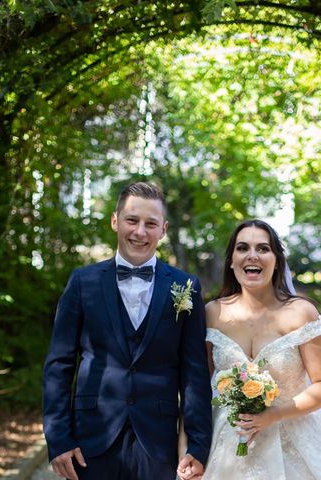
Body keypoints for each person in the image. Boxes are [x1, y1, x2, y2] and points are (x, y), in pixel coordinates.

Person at [42, 181, 212, 480]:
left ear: (164, 229)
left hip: (159, 442)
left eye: (151, 223)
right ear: (115, 220)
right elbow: (59, 364)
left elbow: (194, 371)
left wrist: (197, 445)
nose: (140, 232)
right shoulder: (83, 282)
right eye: (132, 220)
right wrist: (58, 439)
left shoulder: (186, 286)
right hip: (91, 438)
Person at [202, 219, 321, 479]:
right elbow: (200, 386)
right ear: (231, 260)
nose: (252, 255)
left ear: (277, 261)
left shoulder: (301, 313)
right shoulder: (212, 313)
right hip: (228, 446)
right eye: (243, 248)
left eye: (263, 248)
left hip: (295, 444)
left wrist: (272, 415)